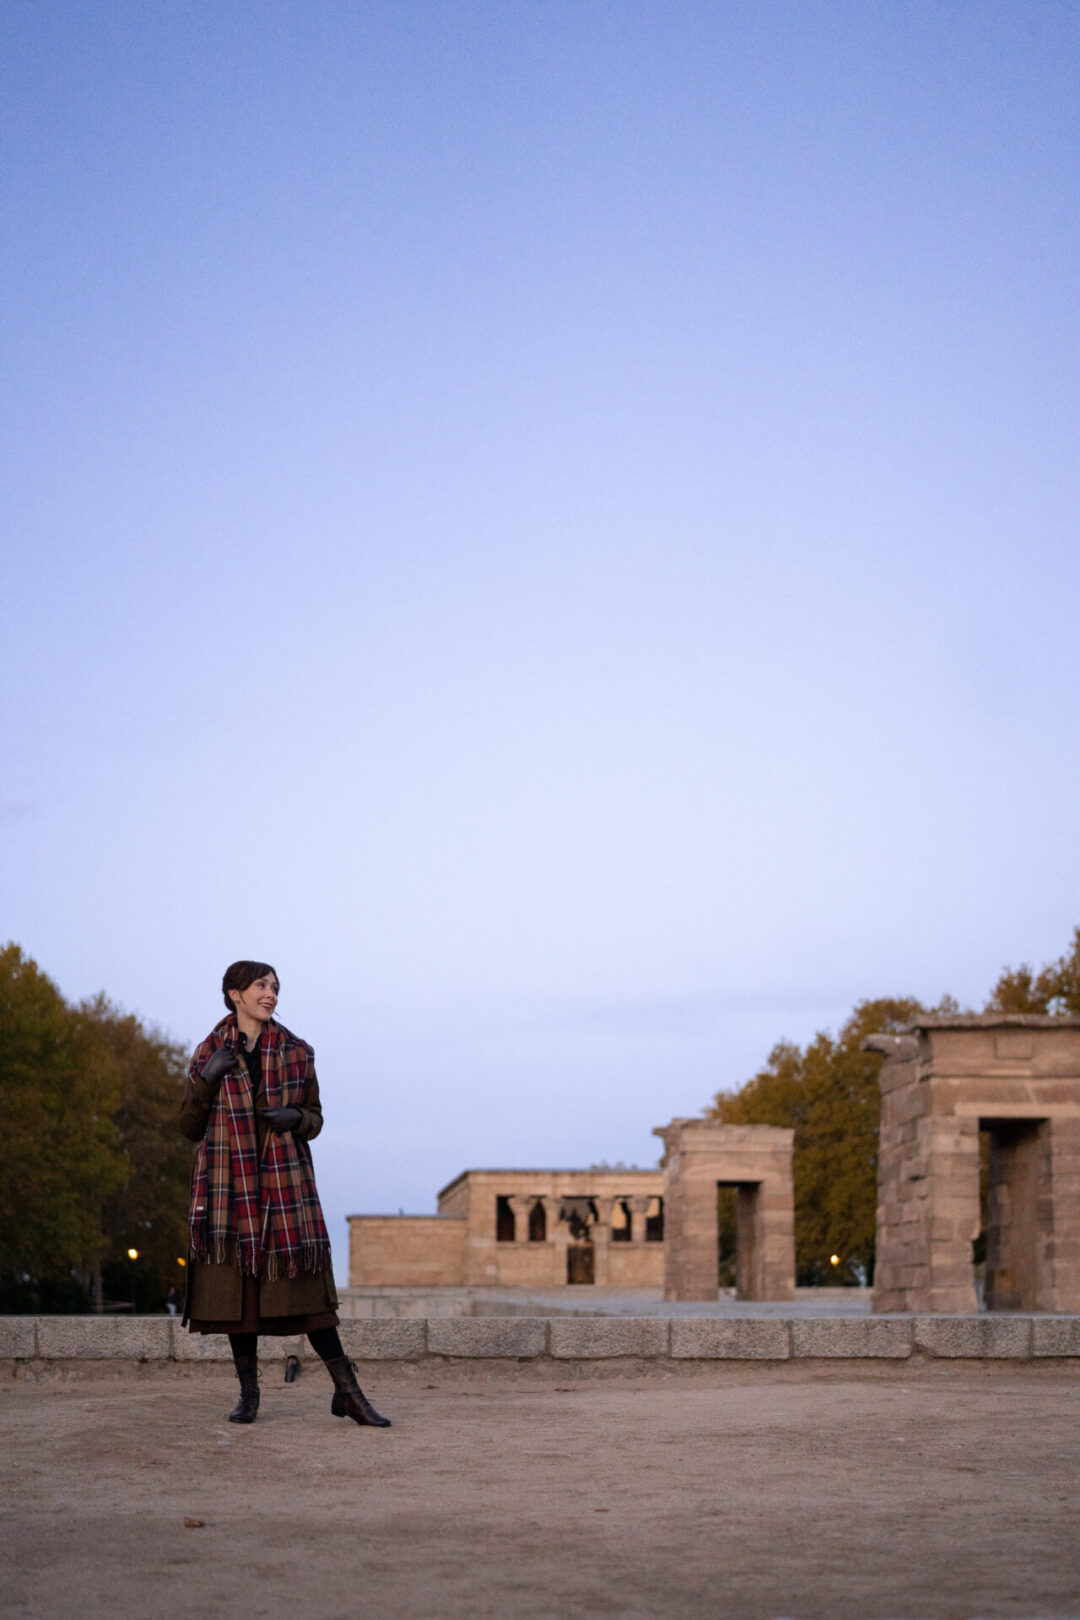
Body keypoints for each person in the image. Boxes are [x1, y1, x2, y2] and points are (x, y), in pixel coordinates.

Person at [179, 960, 389, 1429]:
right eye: (261, 985)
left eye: (275, 986)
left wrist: (296, 1120)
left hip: (284, 1193)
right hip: (227, 1193)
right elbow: (188, 1127)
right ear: (235, 994)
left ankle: (348, 1393)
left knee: (311, 1301)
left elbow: (315, 1118)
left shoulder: (298, 1051)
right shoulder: (208, 1051)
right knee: (240, 1303)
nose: (270, 993)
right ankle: (248, 1395)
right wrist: (207, 1078)